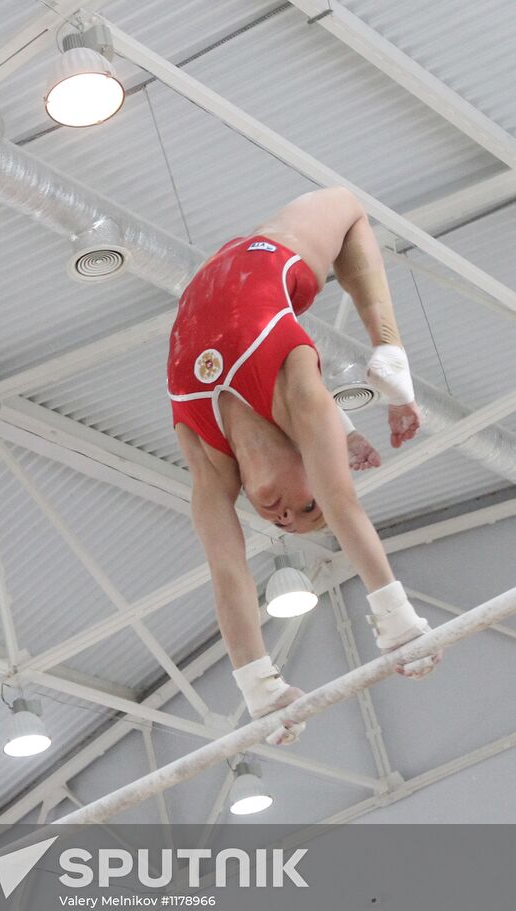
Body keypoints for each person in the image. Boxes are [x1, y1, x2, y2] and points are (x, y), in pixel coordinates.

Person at [166, 187, 442, 746]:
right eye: (307, 506)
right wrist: (399, 625)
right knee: (348, 205)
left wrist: (259, 690)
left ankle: (366, 395)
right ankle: (391, 349)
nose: (286, 516)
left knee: (317, 445)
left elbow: (227, 572)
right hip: (267, 263)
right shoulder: (297, 394)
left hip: (214, 284)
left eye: (282, 523)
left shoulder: (206, 455)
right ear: (315, 465)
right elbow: (345, 504)